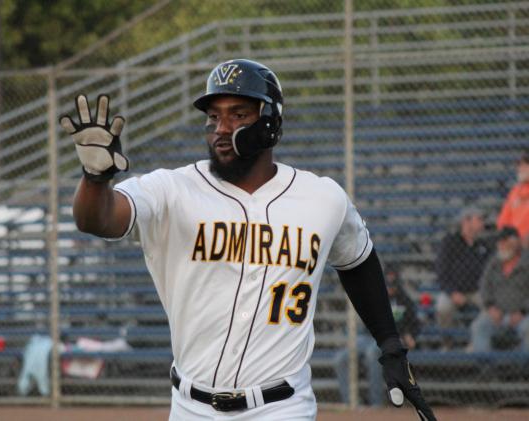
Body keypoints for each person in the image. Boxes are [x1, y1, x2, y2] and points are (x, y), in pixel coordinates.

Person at [60, 59, 436, 420]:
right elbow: (98, 219)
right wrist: (95, 180)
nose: (221, 127)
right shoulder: (172, 189)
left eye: (238, 114)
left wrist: (390, 345)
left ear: (270, 122)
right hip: (191, 407)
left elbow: (358, 260)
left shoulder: (322, 198)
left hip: (282, 406)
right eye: (213, 116)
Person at [335, 264, 421, 407]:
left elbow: (415, 324)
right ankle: (349, 403)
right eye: (387, 284)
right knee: (341, 359)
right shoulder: (375, 296)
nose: (390, 288)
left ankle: (376, 404)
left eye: (393, 284)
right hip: (369, 337)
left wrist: (410, 334)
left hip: (391, 339)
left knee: (372, 354)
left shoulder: (405, 300)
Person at [434, 206, 491, 343]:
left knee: (492, 306)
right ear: (466, 221)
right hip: (454, 290)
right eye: (479, 219)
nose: (483, 222)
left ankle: (476, 343)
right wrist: (452, 292)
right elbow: (441, 271)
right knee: (443, 308)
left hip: (478, 291)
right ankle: (447, 344)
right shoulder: (450, 242)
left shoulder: (483, 244)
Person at [469, 226, 529, 352]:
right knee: (479, 327)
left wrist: (522, 312)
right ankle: (486, 367)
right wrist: (491, 308)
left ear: (514, 242)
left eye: (504, 241)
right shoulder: (494, 263)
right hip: (497, 314)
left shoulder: (526, 262)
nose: (500, 245)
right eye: (500, 242)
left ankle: (524, 368)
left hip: (523, 316)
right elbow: (484, 287)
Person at [497, 150, 529, 248]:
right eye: (519, 165)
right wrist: (508, 237)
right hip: (514, 243)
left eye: (524, 165)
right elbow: (503, 221)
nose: (519, 169)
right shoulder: (515, 191)